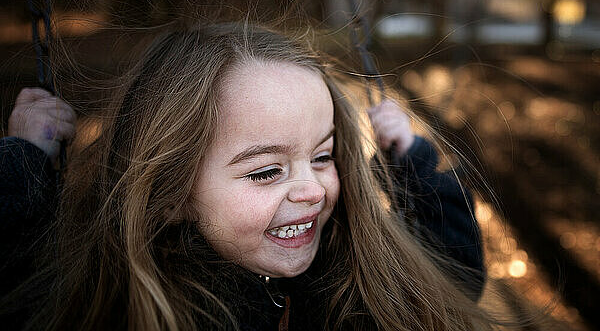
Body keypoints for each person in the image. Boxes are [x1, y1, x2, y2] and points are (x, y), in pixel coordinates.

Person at [1, 21, 489, 330]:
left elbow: (453, 275)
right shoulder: (126, 305)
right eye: (267, 171)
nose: (312, 189)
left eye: (322, 157)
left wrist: (410, 161)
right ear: (172, 192)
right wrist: (24, 163)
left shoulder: (352, 279)